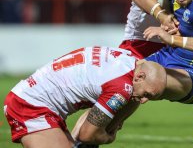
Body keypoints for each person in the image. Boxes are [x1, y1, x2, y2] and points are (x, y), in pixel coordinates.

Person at [3, 46, 168, 148]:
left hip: (35, 99)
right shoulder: (121, 88)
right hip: (30, 106)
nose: (144, 100)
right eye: (146, 94)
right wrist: (108, 137)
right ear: (139, 77)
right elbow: (87, 135)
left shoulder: (127, 59)